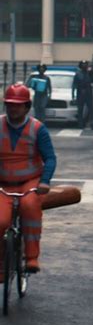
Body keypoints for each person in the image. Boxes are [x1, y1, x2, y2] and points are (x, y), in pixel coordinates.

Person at [0, 82, 57, 274]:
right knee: (0, 221)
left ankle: (31, 257)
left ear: (27, 106)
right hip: (3, 184)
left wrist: (45, 182)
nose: (13, 109)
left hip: (30, 182)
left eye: (17, 105)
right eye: (9, 105)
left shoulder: (37, 128)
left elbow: (50, 158)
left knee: (30, 206)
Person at [72, 60, 93, 130]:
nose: (84, 66)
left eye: (85, 65)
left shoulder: (90, 73)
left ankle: (92, 124)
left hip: (89, 93)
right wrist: (73, 96)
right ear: (80, 66)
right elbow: (74, 85)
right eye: (83, 65)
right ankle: (80, 124)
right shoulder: (78, 74)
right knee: (80, 110)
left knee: (91, 110)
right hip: (80, 93)